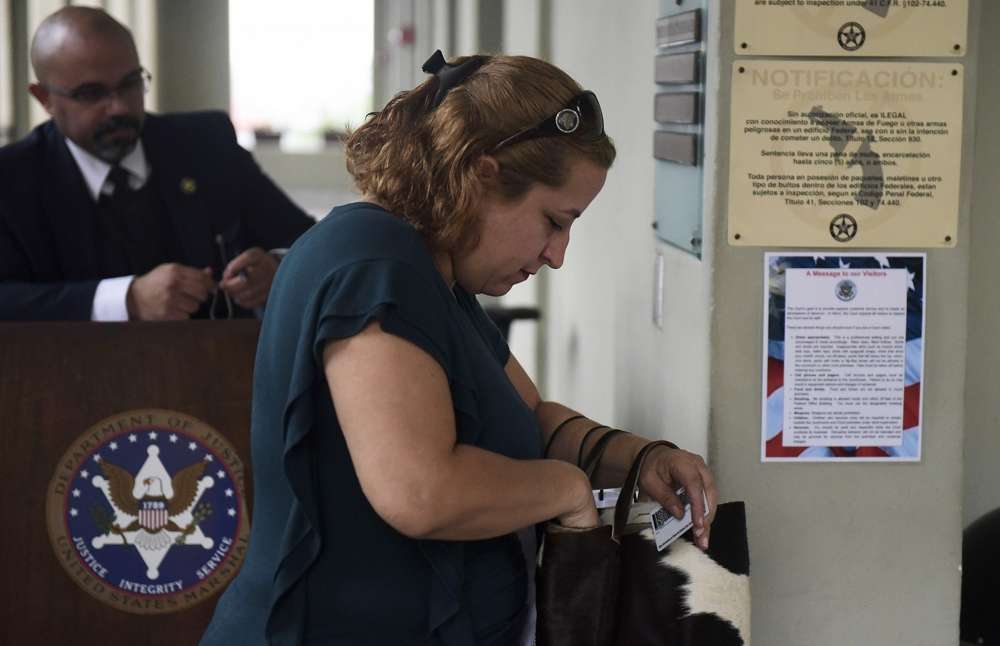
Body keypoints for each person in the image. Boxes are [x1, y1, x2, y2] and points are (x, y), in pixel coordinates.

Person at [202, 51, 718, 646]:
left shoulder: (429, 267)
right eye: (554, 220)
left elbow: (530, 417)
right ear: (481, 175)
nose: (558, 254)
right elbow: (421, 493)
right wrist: (565, 489)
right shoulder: (376, 264)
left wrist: (638, 456)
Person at [0, 7, 313, 321]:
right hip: (70, 368)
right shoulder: (13, 178)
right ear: (44, 99)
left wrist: (277, 268)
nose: (119, 107)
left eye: (130, 83)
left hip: (222, 363)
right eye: (91, 93)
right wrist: (125, 300)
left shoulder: (206, 145)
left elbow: (310, 243)